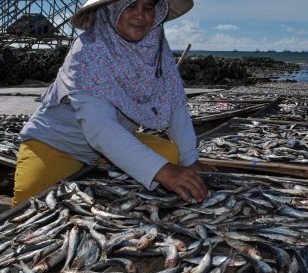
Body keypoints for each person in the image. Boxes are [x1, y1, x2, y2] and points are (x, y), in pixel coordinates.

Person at [13, 0, 216, 205]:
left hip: (109, 149)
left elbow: (173, 102)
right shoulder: (87, 51)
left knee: (174, 156)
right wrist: (165, 173)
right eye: (130, 6)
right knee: (28, 204)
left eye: (148, 7)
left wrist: (190, 160)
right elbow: (101, 129)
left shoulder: (156, 48)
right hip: (57, 145)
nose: (141, 14)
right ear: (111, 10)